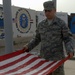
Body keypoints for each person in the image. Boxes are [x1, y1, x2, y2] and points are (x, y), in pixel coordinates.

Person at [23, 1, 74, 75]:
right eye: (45, 11)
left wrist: (70, 50)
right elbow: (37, 38)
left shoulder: (61, 24)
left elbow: (67, 38)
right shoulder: (41, 24)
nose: (47, 13)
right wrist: (28, 46)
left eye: (49, 11)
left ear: (54, 10)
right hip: (44, 59)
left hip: (57, 60)